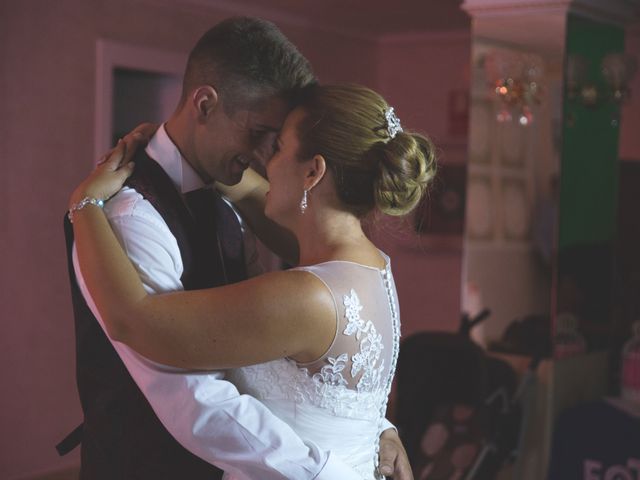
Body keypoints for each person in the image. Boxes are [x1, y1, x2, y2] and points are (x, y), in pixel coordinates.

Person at [61, 17, 411, 480]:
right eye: (261, 133)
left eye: (279, 143)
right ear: (205, 104)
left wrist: (367, 428)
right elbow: (192, 393)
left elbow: (277, 355)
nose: (267, 156)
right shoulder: (129, 213)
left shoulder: (237, 201)